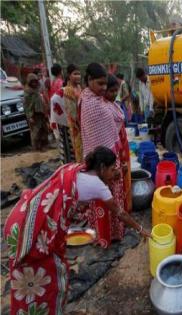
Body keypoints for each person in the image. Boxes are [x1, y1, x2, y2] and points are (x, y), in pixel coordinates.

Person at [4, 146, 149, 315]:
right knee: (48, 279)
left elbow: (104, 179)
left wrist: (118, 171)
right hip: (31, 232)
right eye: (111, 169)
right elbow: (121, 214)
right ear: (101, 167)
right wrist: (140, 229)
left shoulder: (78, 169)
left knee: (30, 278)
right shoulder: (98, 186)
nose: (113, 173)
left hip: (21, 216)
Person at [79, 63, 127, 243]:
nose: (104, 88)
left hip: (107, 157)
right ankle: (104, 234)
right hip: (99, 163)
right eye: (100, 84)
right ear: (89, 80)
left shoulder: (98, 100)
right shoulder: (90, 103)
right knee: (103, 197)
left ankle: (114, 231)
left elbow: (116, 118)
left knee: (109, 197)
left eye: (105, 84)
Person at [105, 75, 132, 212]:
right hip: (114, 148)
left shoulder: (114, 105)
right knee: (116, 178)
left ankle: (125, 206)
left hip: (123, 143)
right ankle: (119, 209)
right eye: (111, 91)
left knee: (124, 175)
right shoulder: (104, 107)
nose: (114, 94)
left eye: (116, 91)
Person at [50, 64, 82, 163]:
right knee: (70, 153)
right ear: (68, 75)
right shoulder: (65, 90)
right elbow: (54, 100)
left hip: (80, 125)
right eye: (75, 74)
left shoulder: (79, 88)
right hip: (69, 127)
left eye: (79, 74)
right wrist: (65, 118)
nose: (78, 76)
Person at [24, 73, 49, 151]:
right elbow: (27, 106)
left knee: (44, 129)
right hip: (34, 114)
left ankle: (44, 145)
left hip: (41, 112)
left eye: (35, 81)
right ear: (29, 82)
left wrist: (45, 110)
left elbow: (42, 100)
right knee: (36, 131)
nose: (34, 83)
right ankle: (37, 147)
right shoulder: (27, 93)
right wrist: (30, 116)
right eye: (32, 82)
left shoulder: (38, 90)